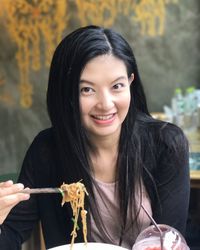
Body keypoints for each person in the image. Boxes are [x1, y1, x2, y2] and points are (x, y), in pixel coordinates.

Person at [0, 25, 190, 250]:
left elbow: (168, 238)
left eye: (117, 86)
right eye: (86, 90)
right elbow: (10, 236)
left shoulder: (166, 144)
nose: (106, 104)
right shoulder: (47, 150)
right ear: (67, 94)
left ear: (131, 82)